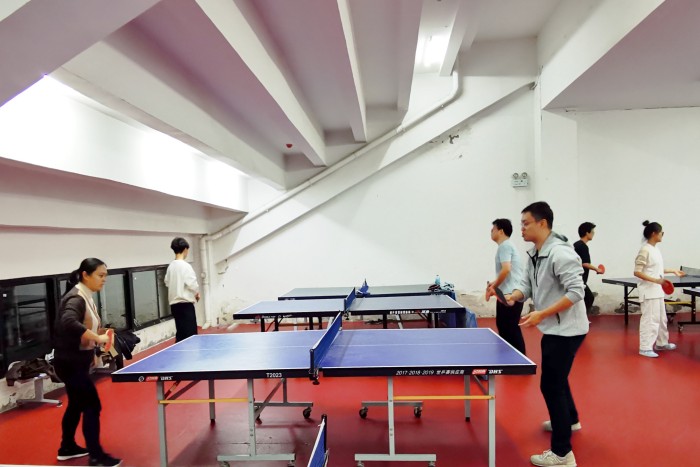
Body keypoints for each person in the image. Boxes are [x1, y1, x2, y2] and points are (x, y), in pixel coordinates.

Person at [503, 202, 588, 467]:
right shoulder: (534, 254)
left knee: (550, 385)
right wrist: (512, 296)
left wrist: (542, 314)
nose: (521, 229)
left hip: (567, 330)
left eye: (525, 223)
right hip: (554, 327)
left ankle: (562, 454)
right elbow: (527, 286)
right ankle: (570, 420)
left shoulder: (560, 254)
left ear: (542, 223)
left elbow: (577, 292)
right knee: (557, 378)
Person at [53, 258, 122, 466]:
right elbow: (68, 322)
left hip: (75, 361)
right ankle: (96, 456)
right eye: (100, 275)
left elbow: (84, 326)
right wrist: (97, 338)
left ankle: (67, 447)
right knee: (92, 405)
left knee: (76, 404)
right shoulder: (76, 298)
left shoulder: (86, 296)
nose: (104, 280)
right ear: (85, 275)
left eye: (105, 276)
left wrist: (98, 339)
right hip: (70, 363)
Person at [633, 220, 685, 358]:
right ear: (654, 233)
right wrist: (657, 280)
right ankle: (645, 348)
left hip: (658, 291)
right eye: (662, 232)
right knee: (650, 320)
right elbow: (637, 272)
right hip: (649, 291)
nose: (663, 234)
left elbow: (657, 269)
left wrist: (673, 271)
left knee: (662, 319)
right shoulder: (644, 250)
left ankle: (662, 343)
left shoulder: (655, 249)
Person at [485, 218, 526, 354]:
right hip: (507, 292)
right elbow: (507, 272)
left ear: (501, 231)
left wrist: (493, 286)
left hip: (511, 293)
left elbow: (506, 269)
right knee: (504, 326)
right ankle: (510, 357)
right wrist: (494, 283)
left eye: (493, 229)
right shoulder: (506, 246)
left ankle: (520, 360)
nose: (491, 231)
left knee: (510, 327)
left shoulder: (505, 246)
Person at [164, 237, 200, 342]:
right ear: (185, 249)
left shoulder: (170, 267)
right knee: (190, 336)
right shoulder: (185, 266)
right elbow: (192, 284)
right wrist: (197, 293)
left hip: (174, 306)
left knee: (180, 333)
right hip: (185, 305)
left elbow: (167, 282)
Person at [573, 222, 604, 316]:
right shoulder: (583, 246)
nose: (593, 233)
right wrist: (597, 269)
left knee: (581, 300)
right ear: (587, 233)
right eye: (592, 232)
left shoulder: (576, 244)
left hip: (575, 278)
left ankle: (580, 318)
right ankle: (582, 319)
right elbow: (585, 263)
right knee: (589, 298)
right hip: (579, 279)